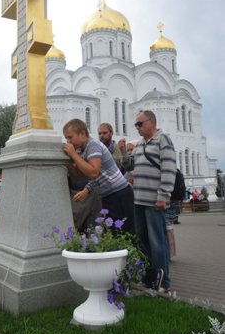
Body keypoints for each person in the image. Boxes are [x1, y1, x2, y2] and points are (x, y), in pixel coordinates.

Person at [63, 118, 164, 291]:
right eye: (66, 138)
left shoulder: (93, 146)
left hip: (120, 195)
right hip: (110, 197)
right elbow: (78, 176)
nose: (68, 141)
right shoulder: (81, 150)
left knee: (130, 237)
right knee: (114, 238)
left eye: (70, 137)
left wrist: (72, 155)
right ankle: (121, 279)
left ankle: (153, 274)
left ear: (82, 134)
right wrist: (67, 160)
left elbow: (93, 172)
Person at [118, 110, 176, 292]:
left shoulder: (163, 140)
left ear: (151, 122)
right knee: (142, 240)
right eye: (136, 124)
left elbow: (169, 169)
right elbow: (130, 166)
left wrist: (163, 196)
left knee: (157, 242)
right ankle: (149, 278)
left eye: (139, 124)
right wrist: (121, 152)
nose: (137, 127)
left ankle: (163, 283)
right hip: (139, 201)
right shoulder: (141, 143)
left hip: (154, 202)